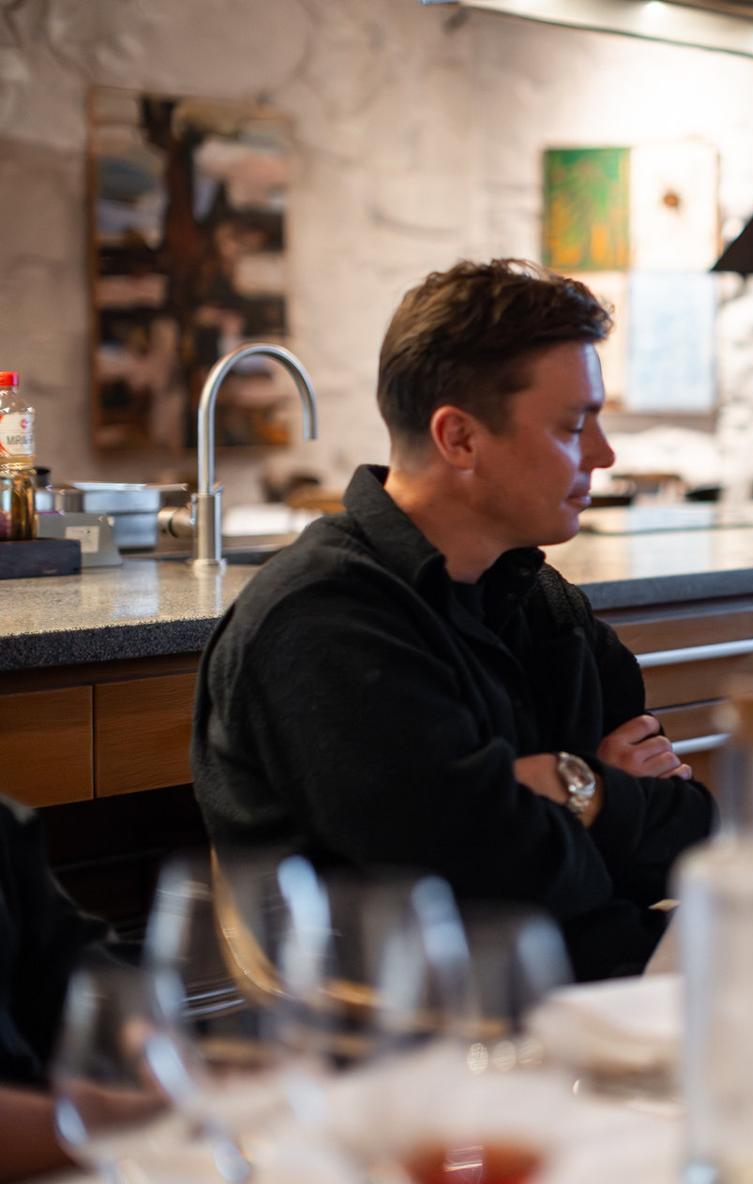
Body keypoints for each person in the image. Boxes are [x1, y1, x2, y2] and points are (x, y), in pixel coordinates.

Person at [192, 260, 713, 981]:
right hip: (436, 1039)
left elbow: (692, 824)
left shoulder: (535, 596)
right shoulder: (322, 620)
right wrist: (595, 789)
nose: (604, 454)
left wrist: (568, 788)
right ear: (459, 438)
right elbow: (493, 887)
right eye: (574, 426)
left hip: (607, 976)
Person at [0, 795, 115, 1184]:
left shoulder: (5, 824)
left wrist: (155, 1044)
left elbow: (74, 965)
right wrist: (127, 1121)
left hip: (63, 1163)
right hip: (57, 1152)